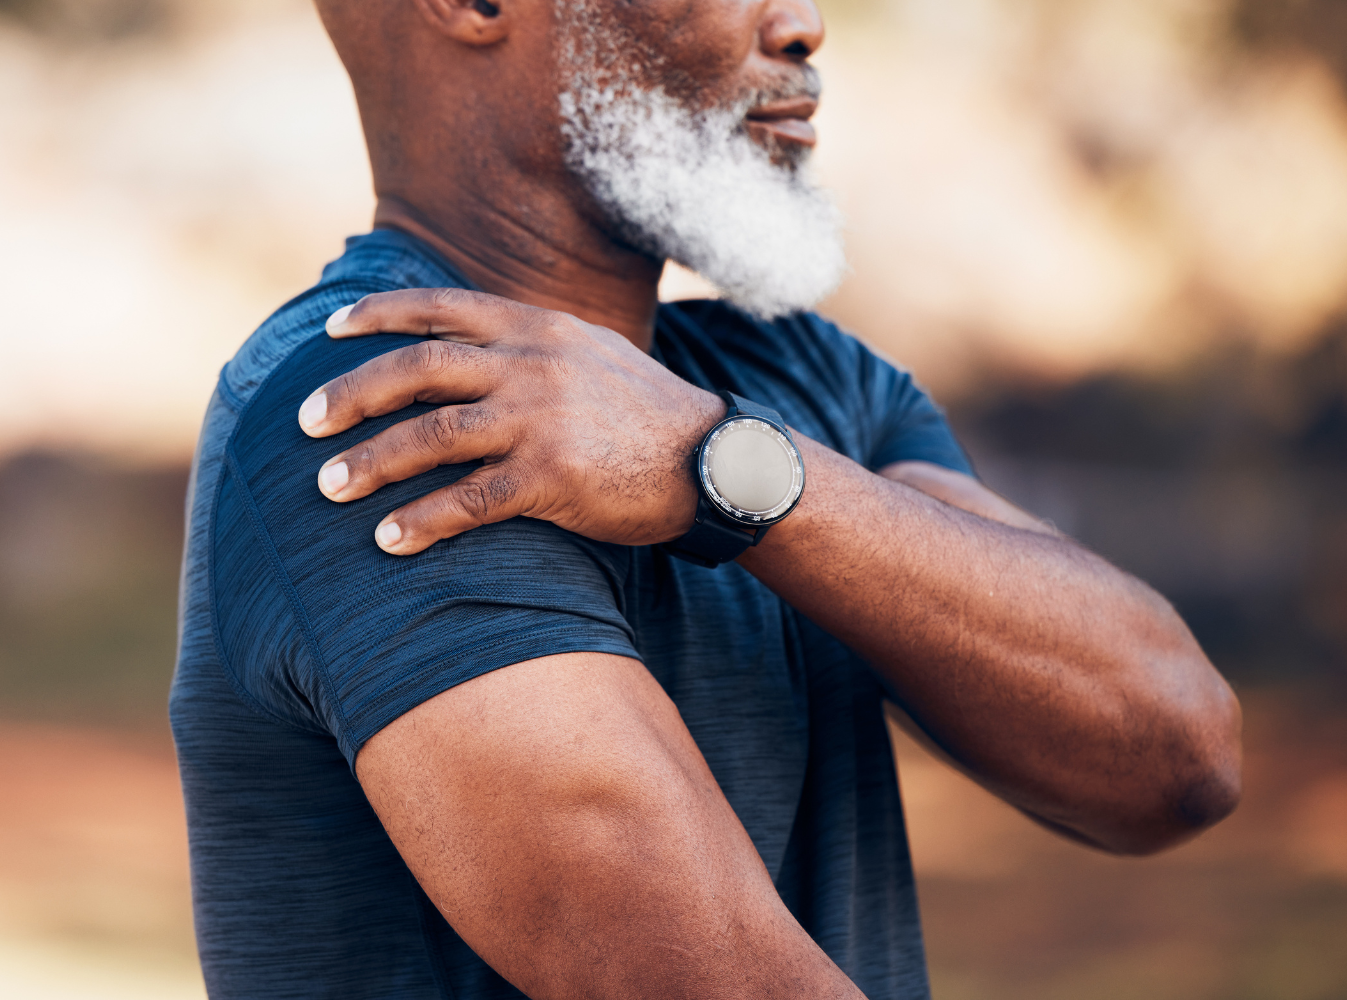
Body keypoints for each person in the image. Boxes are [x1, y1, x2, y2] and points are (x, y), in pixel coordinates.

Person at [169, 0, 1243, 996]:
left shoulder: (800, 380)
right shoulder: (386, 398)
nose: (803, 23)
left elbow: (1181, 753)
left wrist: (715, 464)